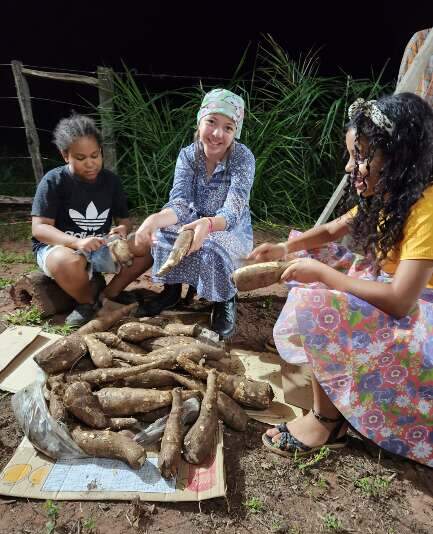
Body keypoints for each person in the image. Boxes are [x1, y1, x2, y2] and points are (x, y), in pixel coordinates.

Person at [249, 92, 433, 468]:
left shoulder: (427, 209)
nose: (351, 167)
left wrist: (326, 277)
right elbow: (334, 229)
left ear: (398, 158)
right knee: (309, 257)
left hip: (419, 316)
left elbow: (400, 300)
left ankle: (327, 423)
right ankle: (334, 387)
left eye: (361, 156)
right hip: (392, 292)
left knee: (315, 295)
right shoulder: (390, 193)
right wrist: (285, 247)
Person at [135, 88, 255, 339]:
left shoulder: (243, 158)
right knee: (163, 231)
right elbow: (178, 203)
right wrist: (154, 219)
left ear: (236, 132)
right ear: (200, 121)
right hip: (193, 220)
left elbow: (233, 210)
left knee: (213, 246)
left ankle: (225, 300)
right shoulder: (188, 155)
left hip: (228, 227)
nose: (217, 133)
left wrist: (208, 225)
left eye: (228, 127)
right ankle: (171, 290)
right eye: (211, 122)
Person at [31, 114, 152, 327]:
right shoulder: (53, 181)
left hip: (100, 245)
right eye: (81, 158)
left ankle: (107, 295)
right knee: (65, 260)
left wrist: (121, 230)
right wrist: (76, 242)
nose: (90, 163)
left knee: (148, 245)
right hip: (60, 248)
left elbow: (124, 220)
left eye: (95, 155)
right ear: (65, 155)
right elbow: (39, 229)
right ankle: (85, 303)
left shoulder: (111, 181)